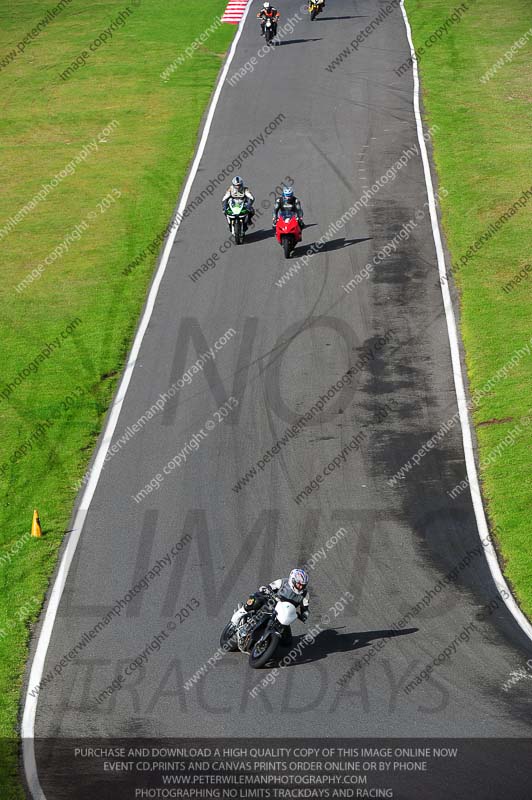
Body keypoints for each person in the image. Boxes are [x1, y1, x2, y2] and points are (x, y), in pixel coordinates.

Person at [243, 568, 310, 644]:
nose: (300, 587)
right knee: (256, 601)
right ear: (293, 580)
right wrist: (267, 590)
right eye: (299, 584)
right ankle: (242, 613)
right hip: (270, 605)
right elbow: (270, 587)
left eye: (303, 585)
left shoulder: (305, 594)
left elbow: (305, 608)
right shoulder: (283, 582)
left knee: (287, 642)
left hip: (283, 615)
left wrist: (304, 614)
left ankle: (268, 644)